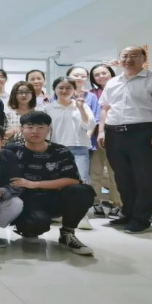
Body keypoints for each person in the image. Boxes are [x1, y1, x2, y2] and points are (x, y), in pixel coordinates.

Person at [98, 46, 152, 234]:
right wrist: (101, 131)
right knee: (122, 178)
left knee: (144, 178)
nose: (128, 59)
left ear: (143, 58)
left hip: (142, 133)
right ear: (120, 59)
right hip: (114, 134)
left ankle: (141, 219)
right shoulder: (112, 82)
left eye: (134, 56)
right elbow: (105, 108)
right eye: (125, 56)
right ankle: (128, 213)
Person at [7, 111, 95, 256]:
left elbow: (72, 179)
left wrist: (34, 184)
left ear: (48, 129)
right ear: (22, 129)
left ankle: (67, 233)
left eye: (40, 127)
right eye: (30, 127)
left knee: (82, 190)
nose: (35, 131)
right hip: (26, 201)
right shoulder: (12, 150)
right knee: (37, 224)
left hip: (54, 198)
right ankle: (28, 229)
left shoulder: (60, 151)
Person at [44, 76, 96, 230]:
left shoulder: (81, 105)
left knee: (81, 182)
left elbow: (90, 125)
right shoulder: (48, 108)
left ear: (74, 90)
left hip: (78, 148)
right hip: (56, 149)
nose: (64, 91)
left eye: (68, 88)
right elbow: (46, 131)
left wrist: (80, 108)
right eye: (60, 87)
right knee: (57, 183)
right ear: (54, 89)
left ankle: (82, 216)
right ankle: (59, 213)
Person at [88, 63, 121, 218]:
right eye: (97, 74)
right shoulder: (91, 94)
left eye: (104, 73)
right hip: (95, 139)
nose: (101, 76)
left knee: (115, 173)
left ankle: (116, 203)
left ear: (111, 73)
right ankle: (96, 202)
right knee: (95, 172)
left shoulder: (120, 89)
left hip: (115, 137)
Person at [4, 81, 36, 146]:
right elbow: (0, 136)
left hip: (34, 148)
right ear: (14, 94)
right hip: (12, 148)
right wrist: (11, 131)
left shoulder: (38, 113)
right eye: (20, 92)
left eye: (27, 92)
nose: (24, 95)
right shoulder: (7, 113)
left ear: (32, 94)